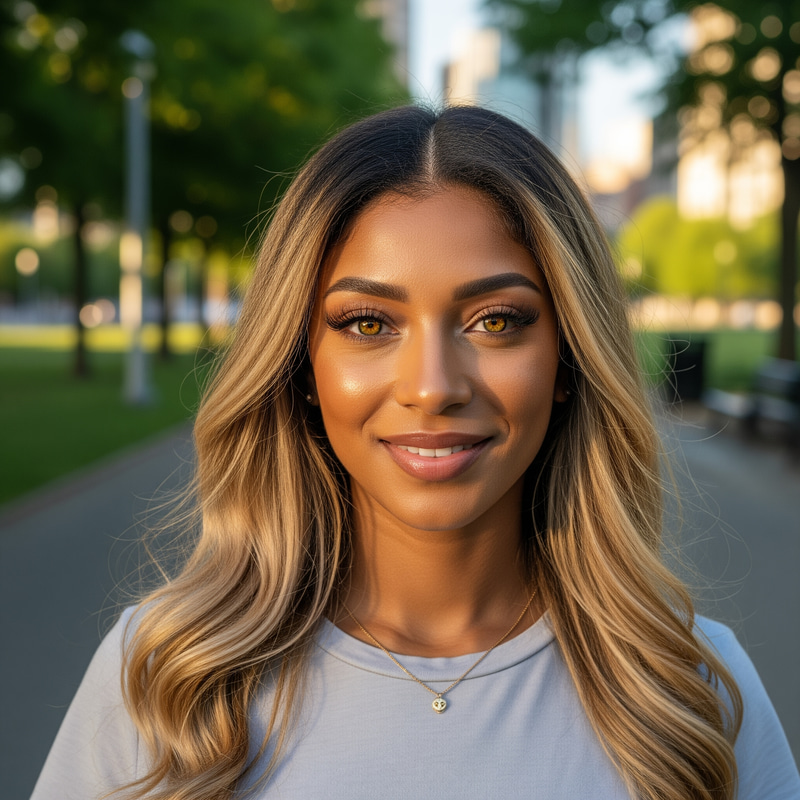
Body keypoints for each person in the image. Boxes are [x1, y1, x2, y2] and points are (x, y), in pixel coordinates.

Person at [32, 105, 799, 800]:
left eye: (497, 321)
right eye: (369, 323)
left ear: (569, 360)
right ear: (300, 367)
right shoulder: (167, 677)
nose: (432, 388)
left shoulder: (690, 687)